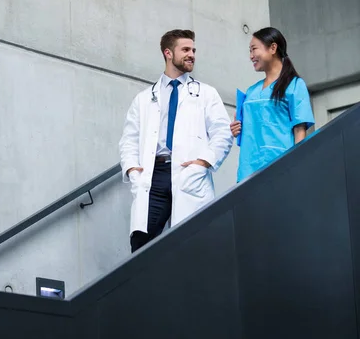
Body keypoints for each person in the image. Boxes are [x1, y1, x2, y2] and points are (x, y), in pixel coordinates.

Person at [119, 29, 233, 253]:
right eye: (186, 50)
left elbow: (222, 133)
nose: (192, 54)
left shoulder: (206, 94)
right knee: (141, 245)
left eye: (193, 50)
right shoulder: (144, 99)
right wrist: (133, 170)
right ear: (168, 53)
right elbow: (128, 140)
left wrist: (204, 163)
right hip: (153, 176)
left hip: (188, 173)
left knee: (193, 244)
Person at [231, 27, 315, 182]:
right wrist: (237, 128)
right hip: (248, 169)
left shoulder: (295, 85)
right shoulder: (251, 92)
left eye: (254, 49)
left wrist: (298, 167)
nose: (251, 56)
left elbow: (300, 131)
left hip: (281, 167)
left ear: (273, 48)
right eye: (249, 51)